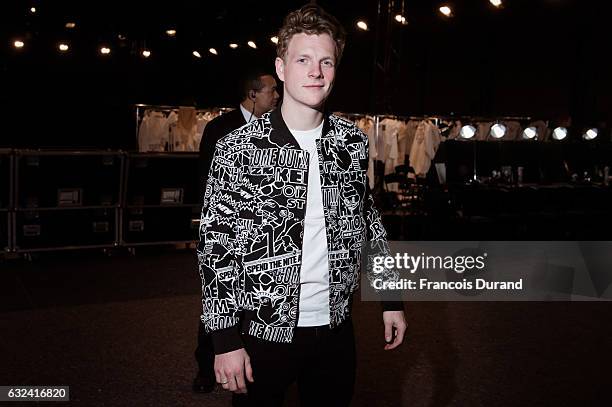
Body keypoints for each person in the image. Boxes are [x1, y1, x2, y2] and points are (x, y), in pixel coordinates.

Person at [197, 4, 406, 406]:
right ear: (280, 67)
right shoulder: (239, 147)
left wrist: (390, 299)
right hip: (263, 331)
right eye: (303, 60)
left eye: (326, 61)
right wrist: (223, 338)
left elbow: (369, 223)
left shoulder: (351, 142)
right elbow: (215, 245)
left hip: (336, 328)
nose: (316, 71)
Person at [193, 71, 279, 393]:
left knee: (254, 308)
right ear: (253, 93)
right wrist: (208, 233)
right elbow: (205, 183)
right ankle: (204, 367)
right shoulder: (219, 128)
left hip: (263, 237)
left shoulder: (279, 128)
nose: (277, 96)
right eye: (272, 90)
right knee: (216, 305)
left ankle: (251, 365)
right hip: (223, 233)